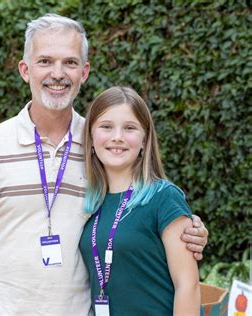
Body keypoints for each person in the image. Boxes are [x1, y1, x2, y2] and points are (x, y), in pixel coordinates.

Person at [0, 14, 208, 315]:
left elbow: (140, 206)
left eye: (69, 63)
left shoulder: (99, 146)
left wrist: (189, 228)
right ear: (24, 70)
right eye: (45, 61)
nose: (58, 73)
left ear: (84, 72)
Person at [79, 86, 201, 315]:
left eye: (129, 128)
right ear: (91, 138)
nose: (117, 137)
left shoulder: (164, 197)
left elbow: (188, 286)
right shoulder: (90, 204)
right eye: (106, 127)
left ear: (144, 140)